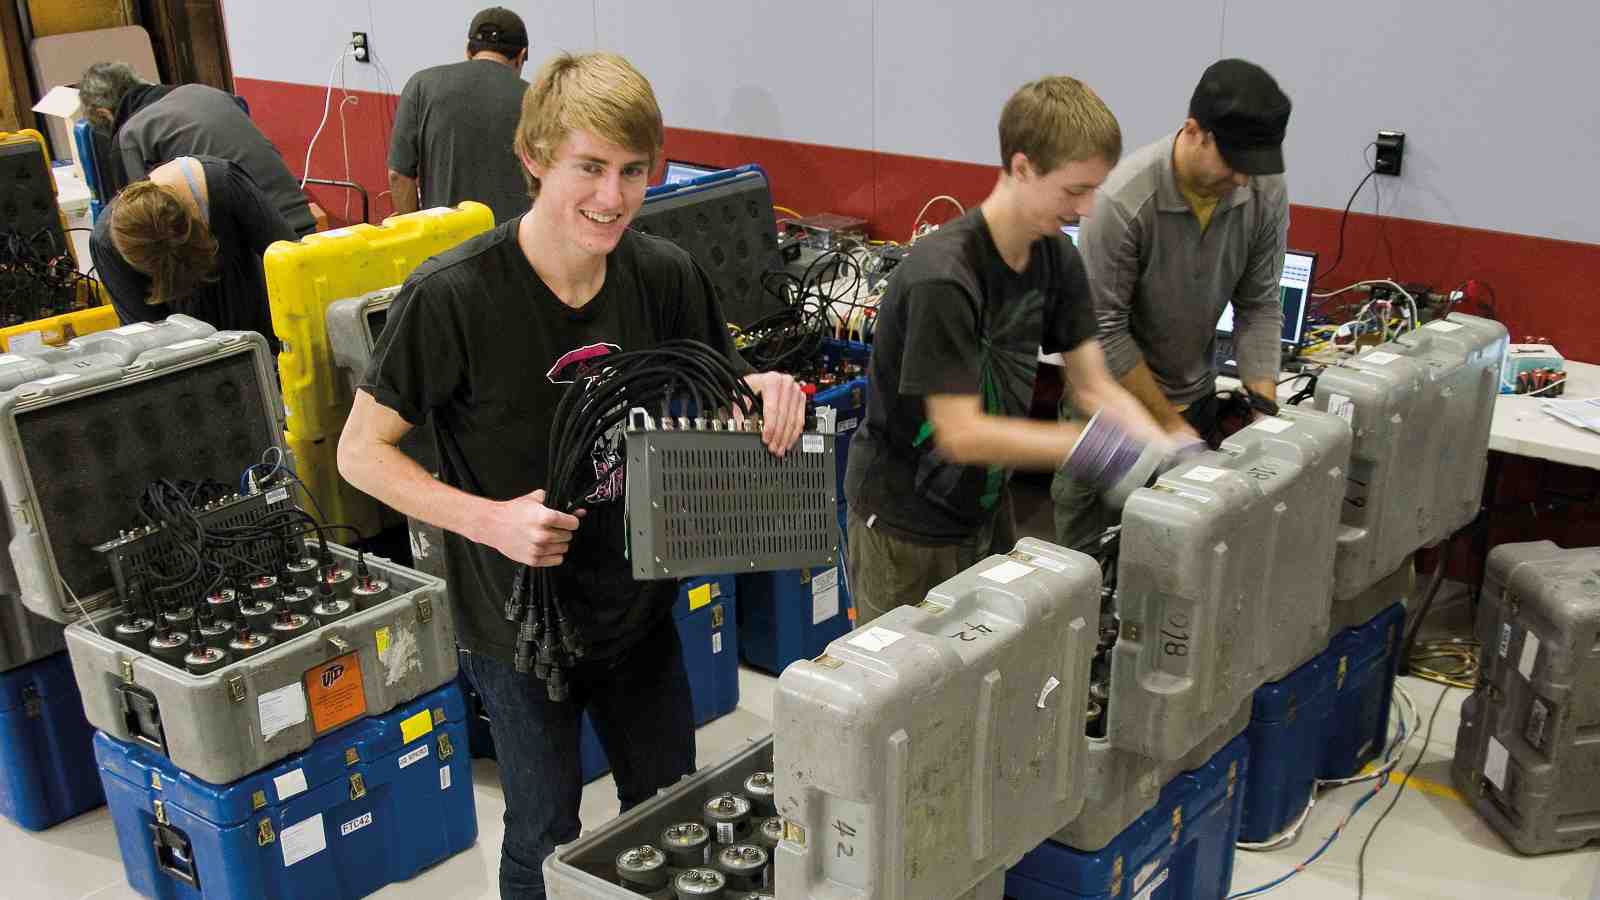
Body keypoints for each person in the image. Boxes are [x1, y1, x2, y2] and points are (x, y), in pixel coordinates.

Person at [337, 52, 805, 899]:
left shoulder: (662, 273)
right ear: (535, 159)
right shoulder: (452, 296)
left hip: (636, 608)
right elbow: (358, 453)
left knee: (669, 811)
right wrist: (487, 520)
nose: (613, 196)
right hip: (517, 626)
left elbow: (724, 392)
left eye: (633, 171)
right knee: (545, 833)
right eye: (589, 167)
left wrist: (765, 393)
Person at [842, 76, 1171, 627]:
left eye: (1096, 189)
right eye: (1074, 190)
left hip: (985, 512)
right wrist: (1087, 448)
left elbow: (1091, 385)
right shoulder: (945, 279)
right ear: (1022, 168)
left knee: (988, 676)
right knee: (904, 700)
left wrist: (1165, 450)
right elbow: (961, 432)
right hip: (904, 529)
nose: (1087, 209)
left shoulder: (1056, 260)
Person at [1052, 58, 1292, 555]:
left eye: (1255, 166)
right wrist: (1173, 433)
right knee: (1087, 571)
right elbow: (1107, 332)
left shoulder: (1262, 188)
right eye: (1234, 163)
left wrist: (1264, 413)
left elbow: (1260, 303)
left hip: (1192, 405)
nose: (1245, 180)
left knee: (1178, 569)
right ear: (1193, 132)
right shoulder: (1122, 202)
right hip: (1108, 416)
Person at [77, 62, 317, 236]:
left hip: (259, 243)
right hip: (303, 219)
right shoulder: (204, 92)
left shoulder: (131, 135)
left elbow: (142, 228)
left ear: (104, 113)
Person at [89, 156, 296, 347]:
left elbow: (295, 264)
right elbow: (147, 341)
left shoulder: (224, 184)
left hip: (261, 333)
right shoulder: (107, 244)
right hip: (185, 359)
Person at [388, 7, 532, 223]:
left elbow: (397, 175)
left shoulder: (421, 85)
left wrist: (415, 231)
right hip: (513, 247)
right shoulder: (538, 99)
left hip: (445, 247)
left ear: (468, 51)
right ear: (521, 56)